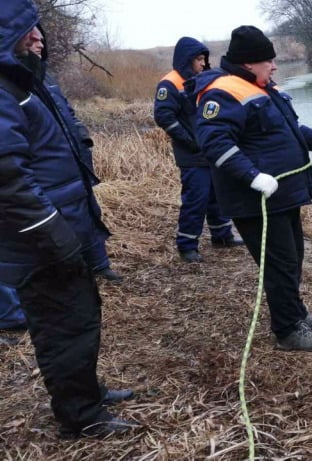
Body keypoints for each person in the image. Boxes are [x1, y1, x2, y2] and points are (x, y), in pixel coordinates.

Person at [0, 0, 137, 437]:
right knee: (65, 324)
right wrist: (54, 235)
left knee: (76, 317)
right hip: (41, 239)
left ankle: (85, 392)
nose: (38, 37)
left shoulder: (25, 80)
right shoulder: (3, 90)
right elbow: (8, 180)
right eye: (29, 30)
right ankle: (81, 417)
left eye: (40, 29)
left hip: (64, 223)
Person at [192, 25, 312, 351]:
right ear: (249, 63)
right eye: (268, 61)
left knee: (292, 257)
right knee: (279, 263)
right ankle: (288, 330)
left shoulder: (261, 87)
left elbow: (290, 128)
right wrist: (251, 176)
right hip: (256, 199)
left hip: (282, 194)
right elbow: (214, 143)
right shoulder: (222, 93)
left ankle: (297, 312)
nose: (274, 66)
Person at [27, 26, 123, 282]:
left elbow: (67, 112)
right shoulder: (15, 84)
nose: (40, 44)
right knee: (65, 222)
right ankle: (74, 275)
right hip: (49, 172)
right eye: (32, 38)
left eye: (41, 38)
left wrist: (82, 137)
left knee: (89, 213)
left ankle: (100, 265)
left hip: (73, 162)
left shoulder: (46, 77)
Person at [154, 36, 243, 263]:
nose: (203, 63)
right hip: (191, 154)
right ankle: (187, 246)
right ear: (187, 60)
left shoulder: (201, 80)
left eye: (205, 59)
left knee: (217, 195)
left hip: (209, 151)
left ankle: (222, 236)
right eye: (199, 59)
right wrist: (190, 141)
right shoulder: (170, 83)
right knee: (197, 198)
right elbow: (163, 116)